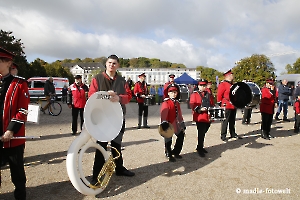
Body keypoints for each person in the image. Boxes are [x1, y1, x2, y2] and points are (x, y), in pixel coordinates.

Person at [89, 55, 134, 185]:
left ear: (118, 65)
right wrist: (104, 95)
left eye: (114, 63)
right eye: (109, 63)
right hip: (102, 118)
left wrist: (119, 98)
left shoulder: (122, 80)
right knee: (101, 147)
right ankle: (96, 176)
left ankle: (119, 169)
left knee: (117, 146)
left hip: (118, 118)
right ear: (106, 64)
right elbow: (91, 96)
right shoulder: (97, 78)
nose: (111, 65)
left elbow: (128, 96)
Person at [0, 47, 29, 199]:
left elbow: (23, 110)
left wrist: (11, 130)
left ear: (8, 63)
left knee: (17, 172)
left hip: (13, 137)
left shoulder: (19, 83)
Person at [160, 84, 186, 162]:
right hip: (168, 124)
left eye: (175, 92)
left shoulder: (177, 102)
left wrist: (182, 123)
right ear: (168, 93)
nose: (173, 94)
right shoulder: (166, 103)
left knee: (181, 136)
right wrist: (164, 124)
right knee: (168, 140)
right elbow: (163, 114)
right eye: (171, 92)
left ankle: (176, 152)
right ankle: (168, 153)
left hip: (175, 124)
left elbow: (179, 114)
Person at [190, 79, 214, 157]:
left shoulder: (208, 94)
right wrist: (199, 109)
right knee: (201, 132)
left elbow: (212, 103)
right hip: (200, 116)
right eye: (201, 85)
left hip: (207, 116)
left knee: (204, 132)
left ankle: (199, 146)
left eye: (204, 85)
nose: (203, 87)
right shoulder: (195, 94)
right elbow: (192, 104)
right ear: (198, 86)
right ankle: (200, 148)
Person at [217, 69, 242, 141]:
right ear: (228, 76)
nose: (233, 76)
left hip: (233, 105)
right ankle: (223, 135)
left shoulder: (232, 84)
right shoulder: (223, 84)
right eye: (231, 75)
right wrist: (219, 102)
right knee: (225, 120)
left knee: (232, 120)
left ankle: (233, 133)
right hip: (226, 104)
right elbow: (219, 94)